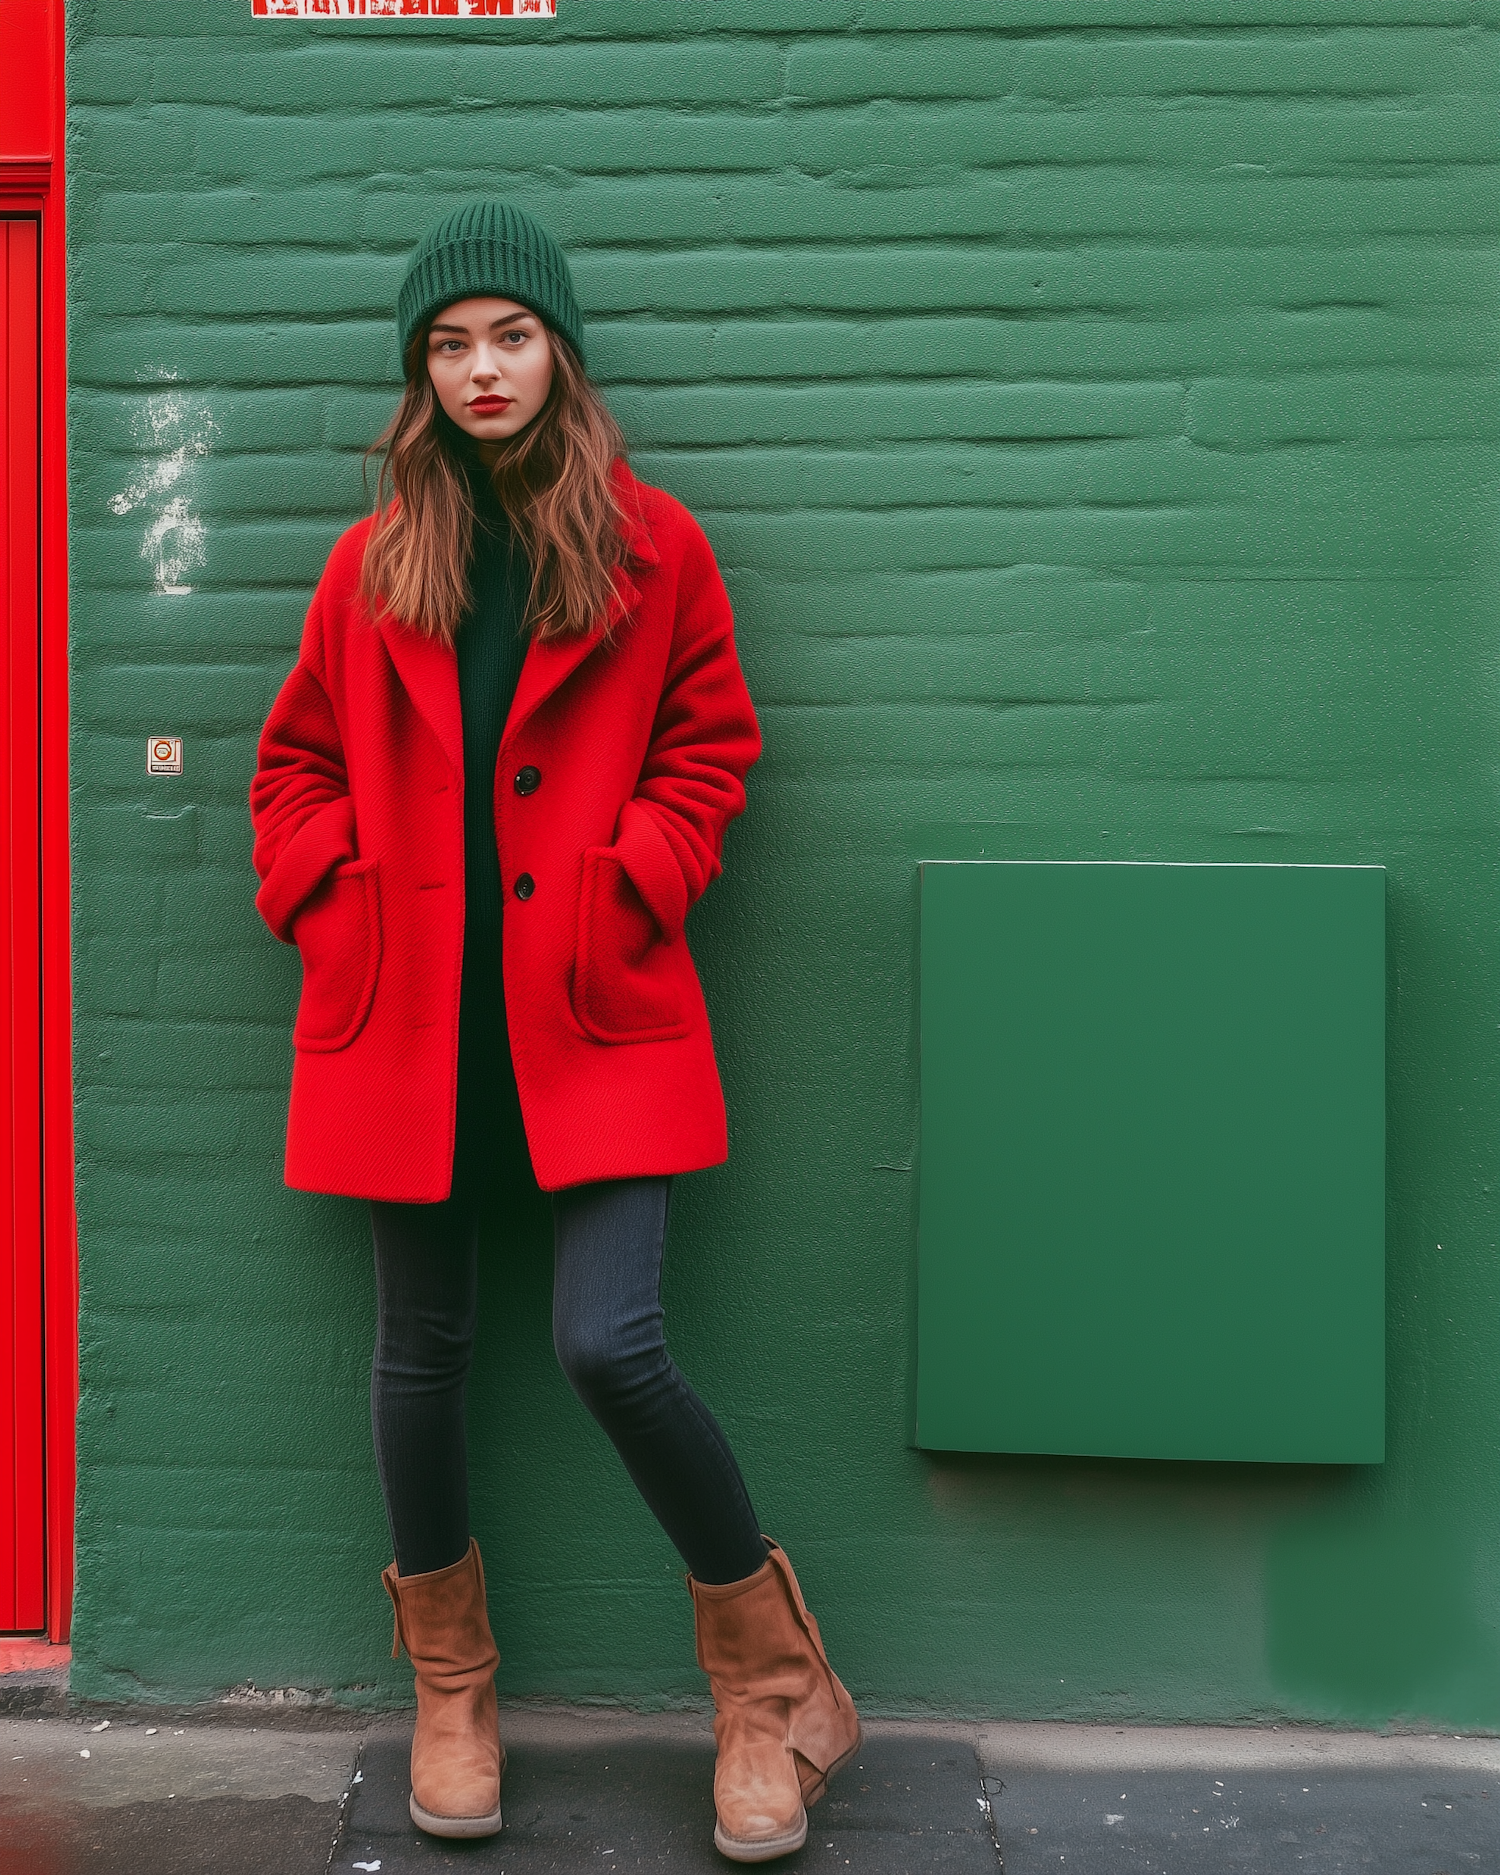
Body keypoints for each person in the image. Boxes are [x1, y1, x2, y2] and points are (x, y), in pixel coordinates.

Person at [249, 200, 859, 1862]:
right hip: (412, 1029)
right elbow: (290, 768)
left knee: (611, 1343)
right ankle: (451, 1689)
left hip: (595, 1013)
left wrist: (634, 879)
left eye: (507, 335)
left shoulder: (657, 547)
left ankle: (771, 1688)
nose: (480, 369)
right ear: (420, 378)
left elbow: (712, 749)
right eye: (448, 347)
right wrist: (335, 896)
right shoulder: (373, 563)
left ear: (559, 352)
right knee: (422, 1358)